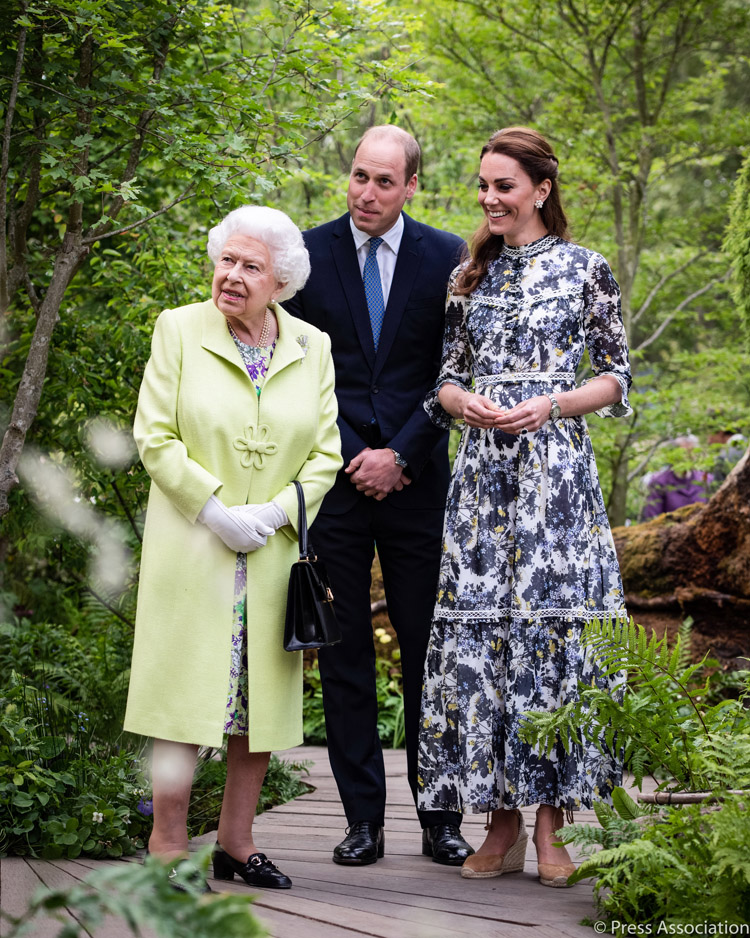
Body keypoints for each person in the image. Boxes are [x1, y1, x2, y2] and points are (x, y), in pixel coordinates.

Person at [417, 127, 632, 888]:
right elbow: (442, 380)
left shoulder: (586, 271)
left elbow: (615, 379)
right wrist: (462, 401)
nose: (488, 198)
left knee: (548, 643)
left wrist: (555, 404)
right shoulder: (469, 277)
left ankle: (550, 827)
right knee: (487, 650)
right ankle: (497, 824)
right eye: (482, 185)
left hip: (555, 481)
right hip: (482, 488)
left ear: (541, 189)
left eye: (502, 186)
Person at [124, 205, 342, 891]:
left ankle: (236, 843)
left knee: (255, 705)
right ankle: (166, 843)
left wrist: (279, 511)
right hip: (195, 546)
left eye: (251, 266)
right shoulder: (180, 329)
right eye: (226, 260)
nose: (232, 276)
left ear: (281, 280)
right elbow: (154, 436)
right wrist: (215, 510)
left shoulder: (313, 346)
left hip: (273, 555)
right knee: (182, 699)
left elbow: (326, 453)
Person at [283, 125, 473, 867]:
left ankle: (440, 820)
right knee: (346, 656)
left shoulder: (448, 256)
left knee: (431, 650)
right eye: (359, 176)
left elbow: (453, 368)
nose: (366, 193)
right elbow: (293, 368)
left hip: (418, 480)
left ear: (412, 187)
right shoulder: (307, 253)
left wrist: (402, 451)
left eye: (383, 182)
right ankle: (361, 822)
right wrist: (355, 453)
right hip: (333, 484)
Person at [641, 435, 712, 519]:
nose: (689, 457)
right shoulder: (659, 482)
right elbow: (652, 518)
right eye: (684, 453)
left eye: (691, 452)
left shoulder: (706, 480)